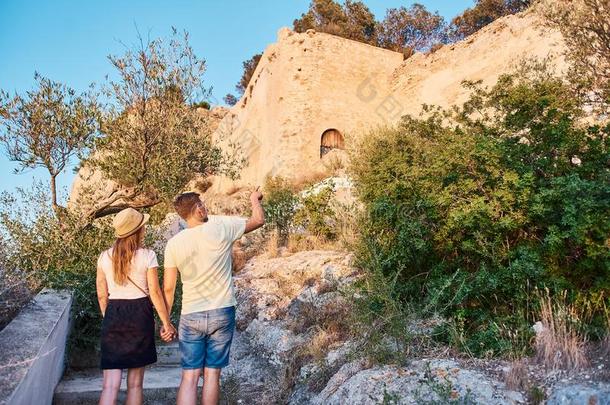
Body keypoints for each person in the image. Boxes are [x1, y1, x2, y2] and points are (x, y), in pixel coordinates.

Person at [162, 189, 264, 405]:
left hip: (190, 315)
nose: (205, 207)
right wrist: (254, 200)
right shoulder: (221, 228)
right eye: (202, 204)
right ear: (197, 209)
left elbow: (168, 289)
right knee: (212, 375)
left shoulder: (173, 244)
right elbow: (258, 220)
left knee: (189, 377)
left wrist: (165, 322)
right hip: (222, 311)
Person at [96, 207, 177, 405]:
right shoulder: (148, 255)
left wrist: (110, 318)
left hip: (114, 313)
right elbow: (155, 292)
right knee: (135, 384)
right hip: (140, 314)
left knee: (110, 385)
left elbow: (101, 294)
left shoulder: (104, 257)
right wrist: (166, 322)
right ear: (138, 230)